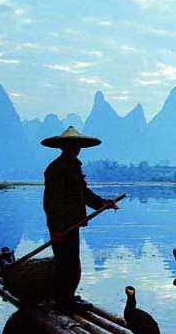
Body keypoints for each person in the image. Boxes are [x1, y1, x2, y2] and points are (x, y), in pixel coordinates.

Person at [41, 126, 118, 312]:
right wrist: (57, 230)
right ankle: (64, 303)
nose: (76, 148)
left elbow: (83, 193)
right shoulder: (56, 169)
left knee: (72, 263)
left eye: (78, 145)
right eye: (72, 145)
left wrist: (102, 203)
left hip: (72, 223)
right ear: (64, 146)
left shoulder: (74, 166)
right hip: (63, 226)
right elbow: (53, 202)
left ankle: (66, 298)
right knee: (66, 265)